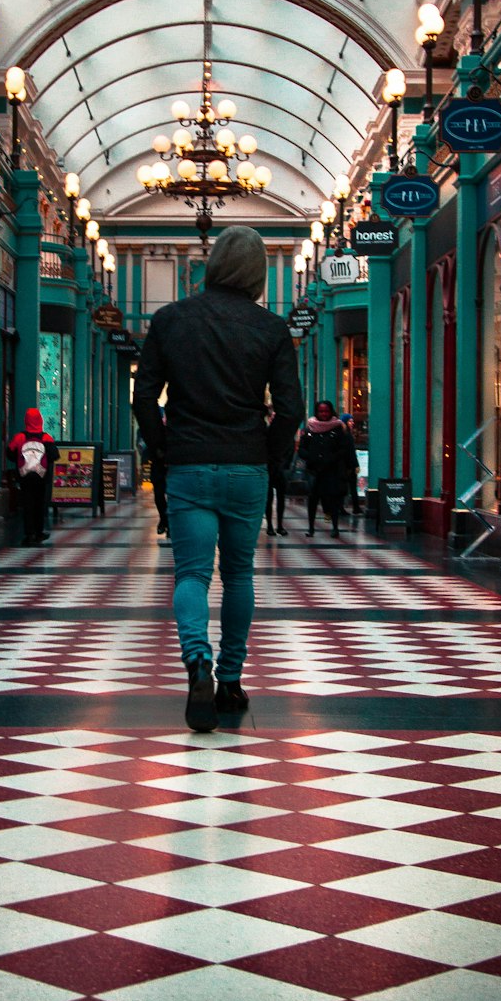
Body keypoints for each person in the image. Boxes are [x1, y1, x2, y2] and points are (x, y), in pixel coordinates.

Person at [133, 226, 303, 731]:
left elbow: (143, 397)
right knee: (240, 574)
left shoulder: (169, 320)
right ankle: (230, 680)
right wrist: (270, 458)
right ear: (257, 273)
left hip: (187, 465)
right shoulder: (271, 329)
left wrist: (163, 447)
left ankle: (197, 663)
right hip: (246, 466)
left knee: (191, 574)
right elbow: (290, 409)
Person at [8, 408, 60, 545]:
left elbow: (9, 453)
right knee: (40, 504)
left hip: (24, 476)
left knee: (27, 504)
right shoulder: (46, 438)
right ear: (40, 420)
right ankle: (39, 532)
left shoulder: (20, 437)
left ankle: (29, 534)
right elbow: (55, 455)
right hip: (41, 477)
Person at [299, 400, 349, 538]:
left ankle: (335, 526)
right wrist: (311, 458)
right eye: (321, 411)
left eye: (326, 411)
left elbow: (343, 449)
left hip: (331, 471)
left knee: (332, 499)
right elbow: (302, 449)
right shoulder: (310, 429)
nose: (324, 414)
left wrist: (331, 459)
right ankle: (311, 528)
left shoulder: (338, 428)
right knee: (313, 500)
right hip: (314, 471)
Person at [339, 412, 363, 516]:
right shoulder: (346, 435)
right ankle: (353, 507)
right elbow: (350, 452)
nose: (352, 423)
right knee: (349, 487)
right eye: (350, 421)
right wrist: (355, 465)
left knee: (349, 487)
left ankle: (352, 507)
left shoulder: (346, 434)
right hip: (347, 466)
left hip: (346, 465)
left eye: (352, 421)